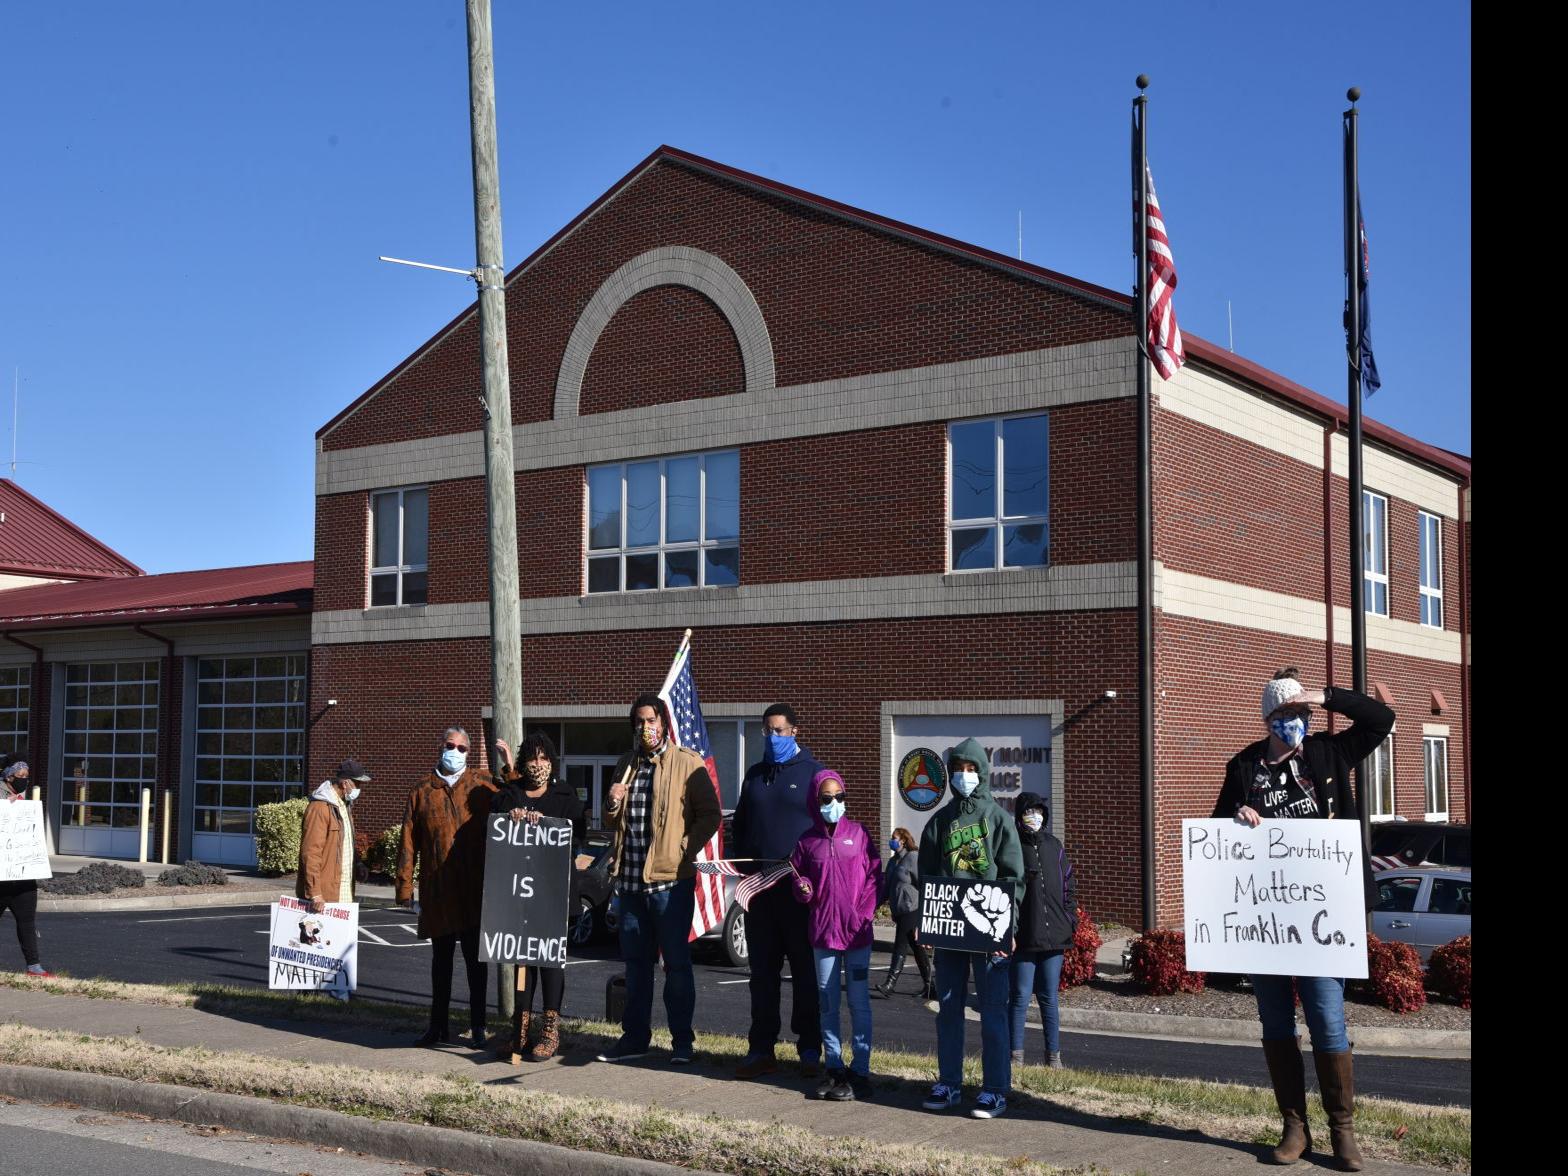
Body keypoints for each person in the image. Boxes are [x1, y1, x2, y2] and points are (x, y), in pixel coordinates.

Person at [1213, 668, 1394, 1172]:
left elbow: (1382, 719)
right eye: (1287, 714)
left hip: (1322, 916)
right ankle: (1294, 1127)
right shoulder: (1245, 767)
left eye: (1302, 713)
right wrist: (1237, 820)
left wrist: (1329, 696)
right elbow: (1214, 835)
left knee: (1327, 1017)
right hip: (1267, 918)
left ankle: (1343, 1130)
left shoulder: (1327, 754)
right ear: (1269, 718)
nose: (1297, 721)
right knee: (1275, 1021)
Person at [596, 693, 722, 1065]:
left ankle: (682, 1042)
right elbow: (610, 822)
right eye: (638, 721)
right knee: (636, 967)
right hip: (631, 885)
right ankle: (635, 1038)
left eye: (651, 720)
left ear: (664, 723)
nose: (644, 727)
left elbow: (710, 815)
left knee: (677, 966)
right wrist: (612, 801)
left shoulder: (686, 763)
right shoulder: (626, 764)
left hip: (669, 884)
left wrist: (685, 847)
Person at [917, 738, 1024, 1120]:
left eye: (970, 768)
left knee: (993, 1010)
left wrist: (1008, 925)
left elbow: (1014, 877)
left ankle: (995, 1089)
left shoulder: (998, 819)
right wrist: (925, 918)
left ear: (981, 772)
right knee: (948, 1008)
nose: (964, 776)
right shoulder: (941, 821)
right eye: (958, 769)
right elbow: (927, 874)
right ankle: (949, 1082)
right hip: (949, 930)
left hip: (988, 927)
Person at [730, 702, 823, 1078]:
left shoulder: (815, 775)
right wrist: (741, 864)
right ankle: (761, 1048)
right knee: (762, 974)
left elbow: (826, 832)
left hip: (798, 895)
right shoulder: (754, 775)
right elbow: (741, 825)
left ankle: (809, 1048)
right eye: (767, 731)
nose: (772, 737)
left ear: (795, 732)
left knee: (804, 973)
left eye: (780, 731)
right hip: (761, 893)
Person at [396, 726, 504, 1048]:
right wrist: (405, 888)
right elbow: (407, 842)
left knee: (476, 964)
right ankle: (437, 1026)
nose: (455, 752)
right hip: (439, 891)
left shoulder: (483, 784)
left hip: (474, 890)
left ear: (469, 753)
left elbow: (517, 796)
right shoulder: (422, 791)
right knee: (440, 965)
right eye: (449, 745)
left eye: (461, 748)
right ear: (440, 746)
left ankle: (479, 1025)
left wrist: (508, 765)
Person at [490, 731, 585, 1061]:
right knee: (523, 962)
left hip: (553, 895)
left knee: (549, 961)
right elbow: (496, 812)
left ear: (552, 761)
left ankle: (550, 1029)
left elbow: (578, 829)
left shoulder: (564, 793)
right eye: (532, 757)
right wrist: (513, 815)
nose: (539, 764)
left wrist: (549, 822)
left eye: (544, 758)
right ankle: (520, 1027)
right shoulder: (513, 794)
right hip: (520, 895)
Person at [790, 768, 881, 1101]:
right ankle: (834, 1066)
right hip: (823, 935)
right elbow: (802, 889)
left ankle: (861, 1069)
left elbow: (874, 878)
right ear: (816, 801)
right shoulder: (806, 841)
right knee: (827, 1003)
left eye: (839, 797)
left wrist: (865, 913)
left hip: (857, 935)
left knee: (859, 1003)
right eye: (827, 799)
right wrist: (803, 890)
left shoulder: (859, 835)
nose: (834, 803)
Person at [1007, 793, 1074, 1070]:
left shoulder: (1054, 846)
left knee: (1049, 999)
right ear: (1019, 816)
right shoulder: (1013, 847)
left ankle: (1053, 1058)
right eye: (1028, 812)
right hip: (1024, 938)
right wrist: (1010, 930)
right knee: (1020, 998)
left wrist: (1070, 919)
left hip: (1055, 938)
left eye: (1038, 811)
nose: (1034, 816)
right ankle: (1015, 1057)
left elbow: (1069, 885)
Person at [297, 759, 371, 913]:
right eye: (357, 784)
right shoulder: (320, 808)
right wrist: (315, 892)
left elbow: (344, 844)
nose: (359, 788)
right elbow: (310, 853)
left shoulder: (343, 806)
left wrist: (358, 864)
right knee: (319, 937)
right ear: (345, 783)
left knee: (344, 937)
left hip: (344, 891)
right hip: (325, 896)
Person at [1, 758, 51, 978]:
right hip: (1, 875)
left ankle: (34, 966)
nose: (24, 781)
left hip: (22, 873)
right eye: (20, 777)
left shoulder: (22, 801)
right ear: (8, 776)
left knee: (27, 920)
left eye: (26, 777)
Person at [874, 826, 932, 1001]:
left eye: (895, 838)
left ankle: (889, 984)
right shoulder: (893, 862)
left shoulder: (913, 858)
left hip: (911, 908)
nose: (891, 841)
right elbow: (887, 887)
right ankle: (931, 986)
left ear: (904, 840)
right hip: (899, 910)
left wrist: (925, 914)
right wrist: (874, 906)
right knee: (917, 948)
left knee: (900, 945)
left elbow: (923, 884)